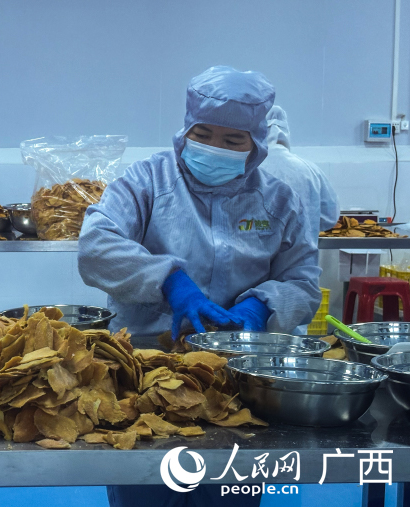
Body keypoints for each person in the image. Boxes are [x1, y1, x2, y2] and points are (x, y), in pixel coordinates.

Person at [78, 66, 322, 506]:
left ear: (256, 144)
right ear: (185, 130)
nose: (214, 148)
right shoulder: (146, 181)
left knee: (228, 492)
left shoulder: (279, 200)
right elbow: (96, 246)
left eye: (233, 140)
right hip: (144, 372)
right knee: (146, 491)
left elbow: (302, 281)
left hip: (239, 379)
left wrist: (262, 306)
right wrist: (169, 282)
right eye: (203, 134)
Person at [258, 105, 340, 234]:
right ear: (286, 133)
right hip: (302, 246)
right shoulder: (311, 171)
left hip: (256, 246)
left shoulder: (249, 169)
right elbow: (329, 218)